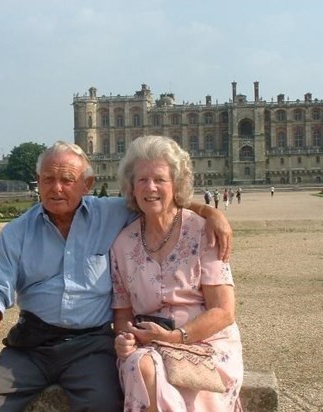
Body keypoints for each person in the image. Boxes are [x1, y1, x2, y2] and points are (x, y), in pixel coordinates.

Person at [0, 141, 233, 412]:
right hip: (32, 346)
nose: (56, 188)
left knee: (102, 404)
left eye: (67, 180)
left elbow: (159, 199)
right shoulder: (16, 233)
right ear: (37, 180)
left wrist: (209, 212)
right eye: (48, 179)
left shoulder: (110, 213)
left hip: (90, 347)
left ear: (87, 184)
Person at [111, 136, 243, 411]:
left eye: (160, 179)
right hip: (149, 346)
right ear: (131, 187)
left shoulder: (203, 232)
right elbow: (123, 314)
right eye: (142, 180)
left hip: (206, 344)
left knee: (150, 370)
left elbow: (223, 312)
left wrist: (175, 338)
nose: (151, 188)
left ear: (176, 184)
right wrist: (126, 339)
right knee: (139, 364)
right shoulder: (122, 244)